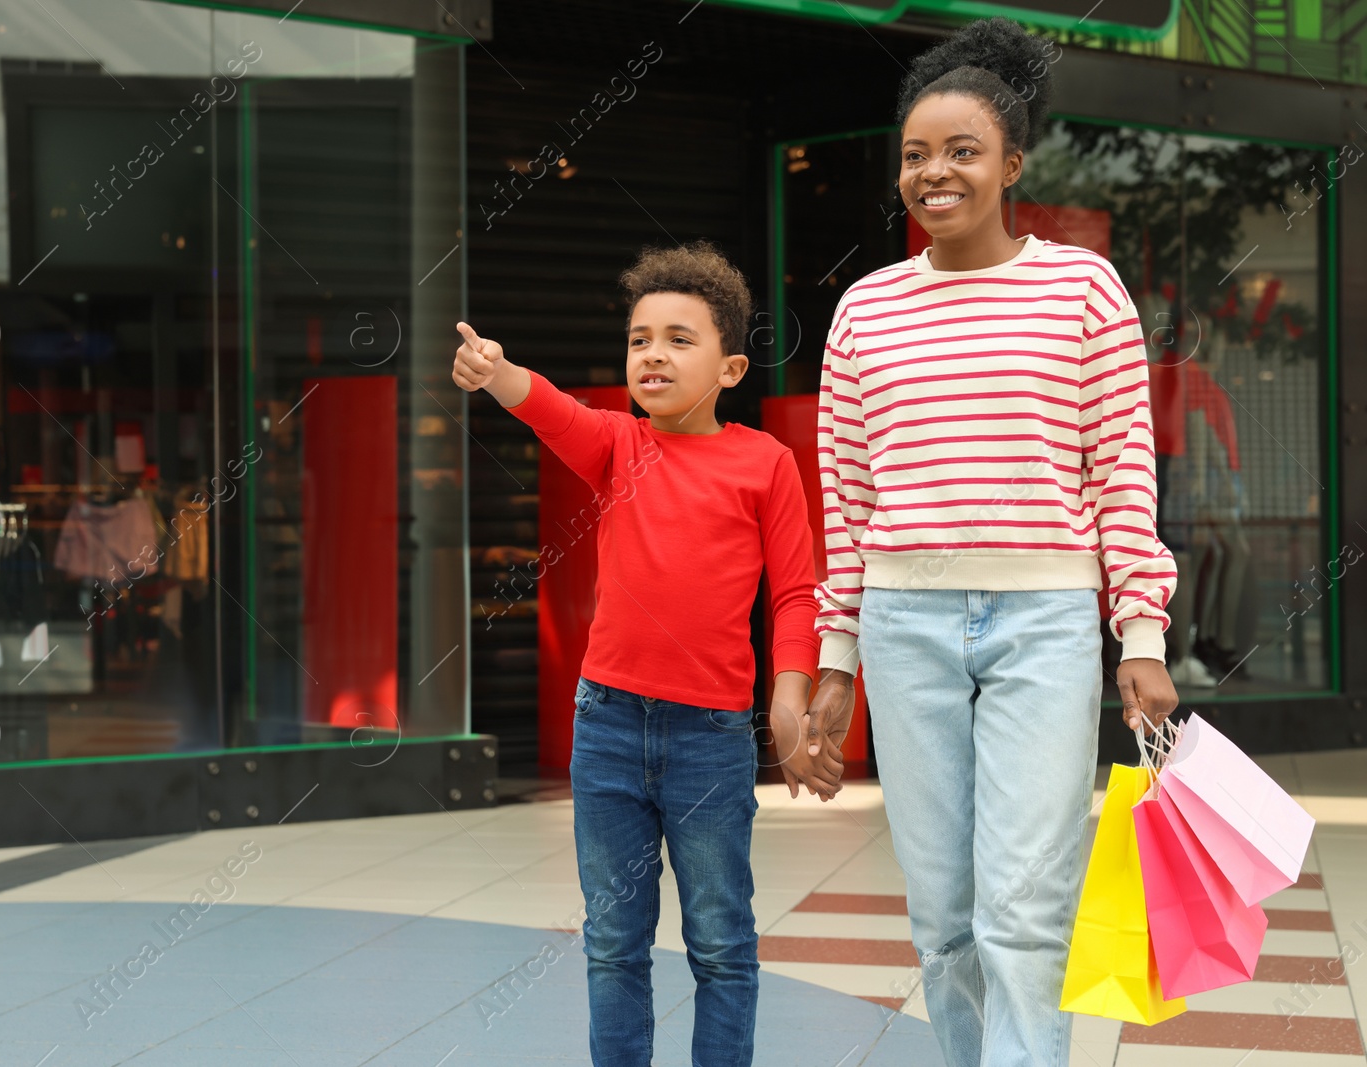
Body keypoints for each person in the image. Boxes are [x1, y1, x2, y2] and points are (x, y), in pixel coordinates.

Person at [805, 18, 1181, 1067]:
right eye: (916, 155)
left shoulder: (1081, 291)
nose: (935, 173)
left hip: (1045, 623)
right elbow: (845, 498)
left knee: (1021, 905)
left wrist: (1138, 632)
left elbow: (1120, 468)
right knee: (942, 914)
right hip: (902, 620)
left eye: (962, 151)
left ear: (1011, 165)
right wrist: (837, 659)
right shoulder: (865, 311)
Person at [452, 242, 840, 1066]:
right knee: (614, 944)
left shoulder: (765, 462)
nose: (653, 354)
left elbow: (796, 595)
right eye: (638, 339)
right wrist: (497, 370)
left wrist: (789, 697)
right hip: (609, 729)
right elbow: (550, 407)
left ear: (731, 367)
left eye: (678, 338)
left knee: (722, 942)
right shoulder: (617, 447)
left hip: (711, 739)